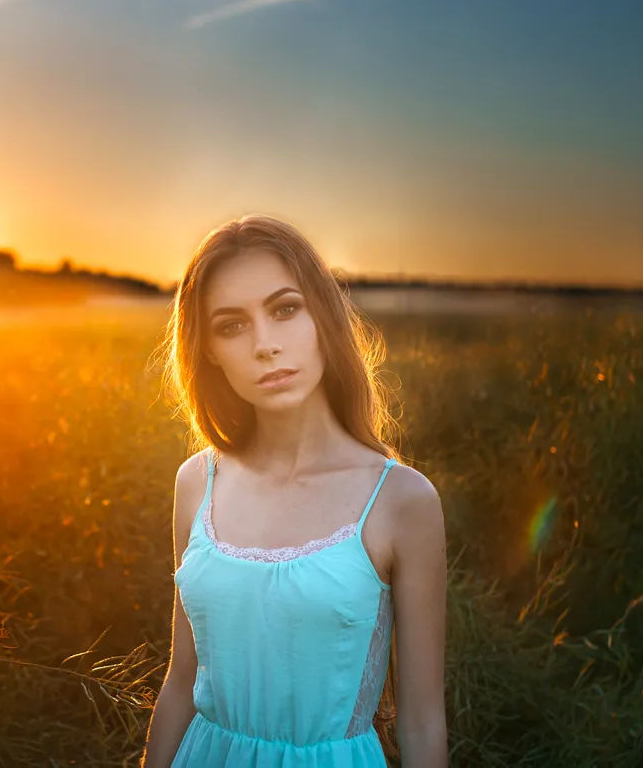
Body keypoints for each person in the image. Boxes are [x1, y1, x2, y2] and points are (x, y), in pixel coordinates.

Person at [141, 214, 448, 767]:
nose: (265, 345)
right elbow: (181, 679)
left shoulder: (403, 501)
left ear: (323, 317)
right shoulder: (196, 483)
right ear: (207, 349)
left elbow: (423, 723)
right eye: (231, 325)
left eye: (285, 310)